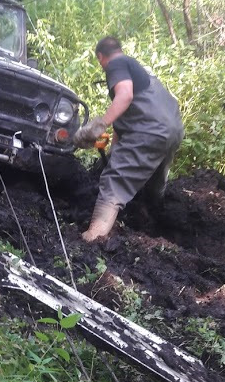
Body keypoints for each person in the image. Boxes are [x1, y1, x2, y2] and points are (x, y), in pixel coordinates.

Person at [74, 36, 184, 242]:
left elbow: (124, 96)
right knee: (154, 181)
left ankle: (94, 237)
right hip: (173, 129)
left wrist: (99, 125)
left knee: (113, 183)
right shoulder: (137, 69)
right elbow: (125, 123)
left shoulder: (116, 64)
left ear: (101, 57)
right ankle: (157, 222)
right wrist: (114, 153)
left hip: (150, 131)